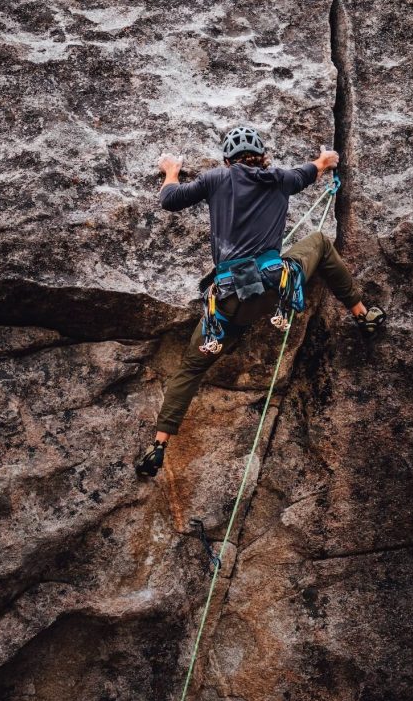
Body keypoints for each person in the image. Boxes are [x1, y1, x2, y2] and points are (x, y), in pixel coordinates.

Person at [136, 125, 386, 478]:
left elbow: (169, 200)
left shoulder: (216, 179)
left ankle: (159, 444)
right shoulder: (281, 179)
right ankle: (363, 314)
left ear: (228, 159)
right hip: (273, 290)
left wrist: (172, 171)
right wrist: (327, 159)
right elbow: (317, 167)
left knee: (192, 368)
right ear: (262, 155)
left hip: (227, 304)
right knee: (318, 243)